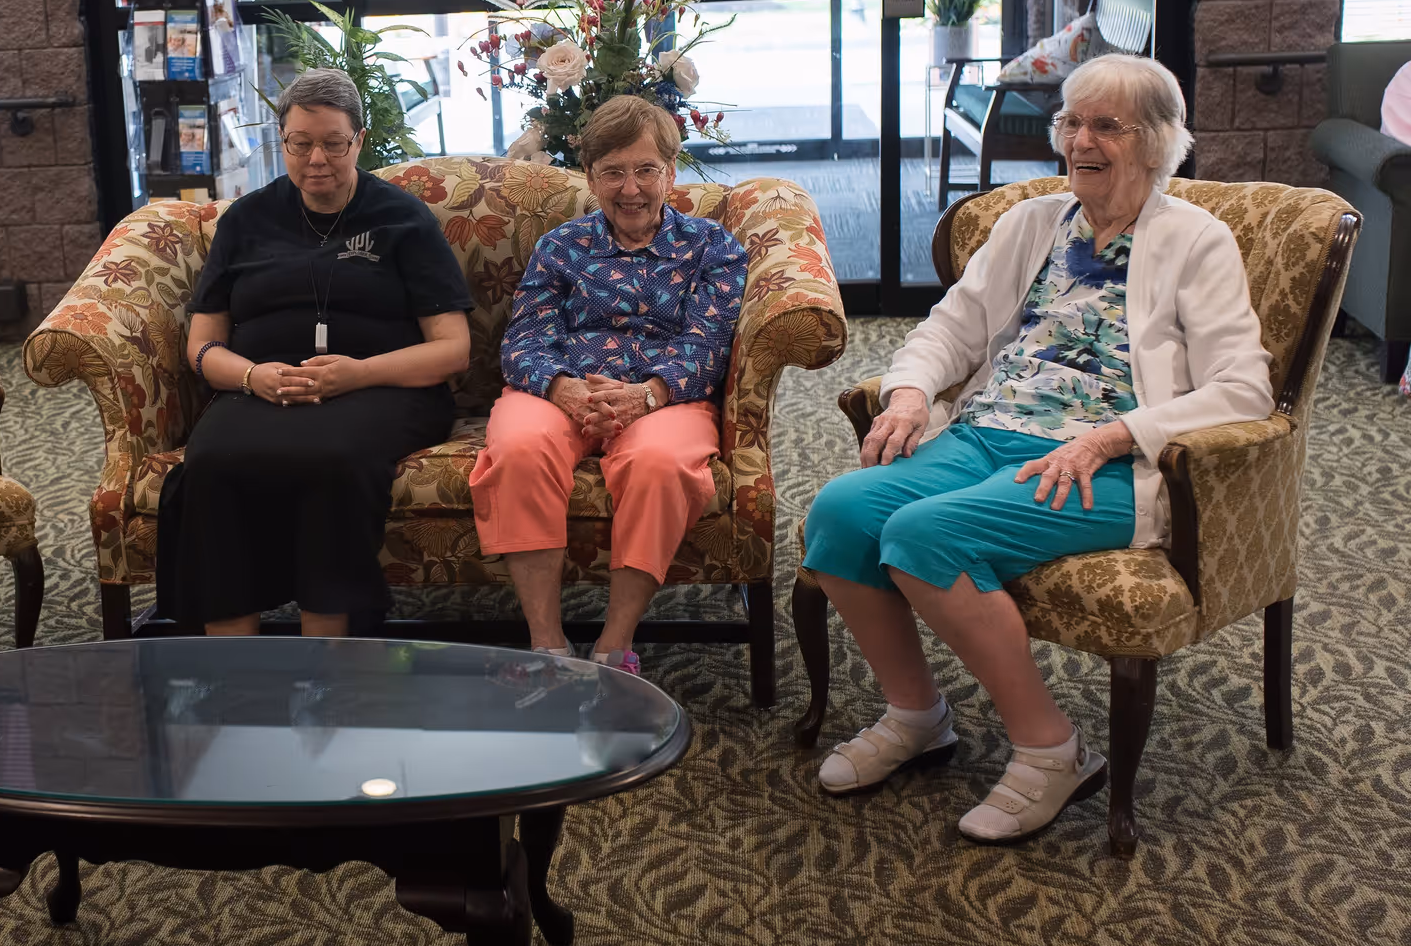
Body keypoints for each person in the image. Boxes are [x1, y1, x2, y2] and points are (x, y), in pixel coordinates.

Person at [801, 54, 1274, 843]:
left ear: (1157, 143)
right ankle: (918, 714)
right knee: (842, 511)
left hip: (1110, 459)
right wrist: (912, 390)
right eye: (1071, 123)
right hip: (990, 430)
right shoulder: (1030, 223)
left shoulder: (1198, 241)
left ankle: (1052, 749)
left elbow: (1245, 388)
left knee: (925, 535)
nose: (1080, 140)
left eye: (1106, 126)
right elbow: (950, 328)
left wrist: (1120, 433)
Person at [158, 68, 473, 635]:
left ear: (359, 140)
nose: (316, 159)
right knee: (210, 462)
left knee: (333, 459)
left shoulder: (402, 219)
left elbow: (452, 350)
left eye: (333, 143)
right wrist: (252, 377)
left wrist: (356, 375)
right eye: (300, 144)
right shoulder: (246, 220)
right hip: (262, 387)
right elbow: (202, 344)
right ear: (282, 142)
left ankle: (326, 664)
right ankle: (235, 667)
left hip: (383, 388)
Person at [470, 95, 747, 676]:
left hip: (663, 395)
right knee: (520, 448)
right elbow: (523, 340)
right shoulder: (561, 246)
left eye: (646, 170)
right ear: (590, 177)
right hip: (561, 390)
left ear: (671, 171)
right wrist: (562, 388)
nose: (631, 189)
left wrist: (646, 394)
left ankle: (613, 648)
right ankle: (546, 644)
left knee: (661, 464)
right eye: (613, 172)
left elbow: (707, 346)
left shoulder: (710, 249)